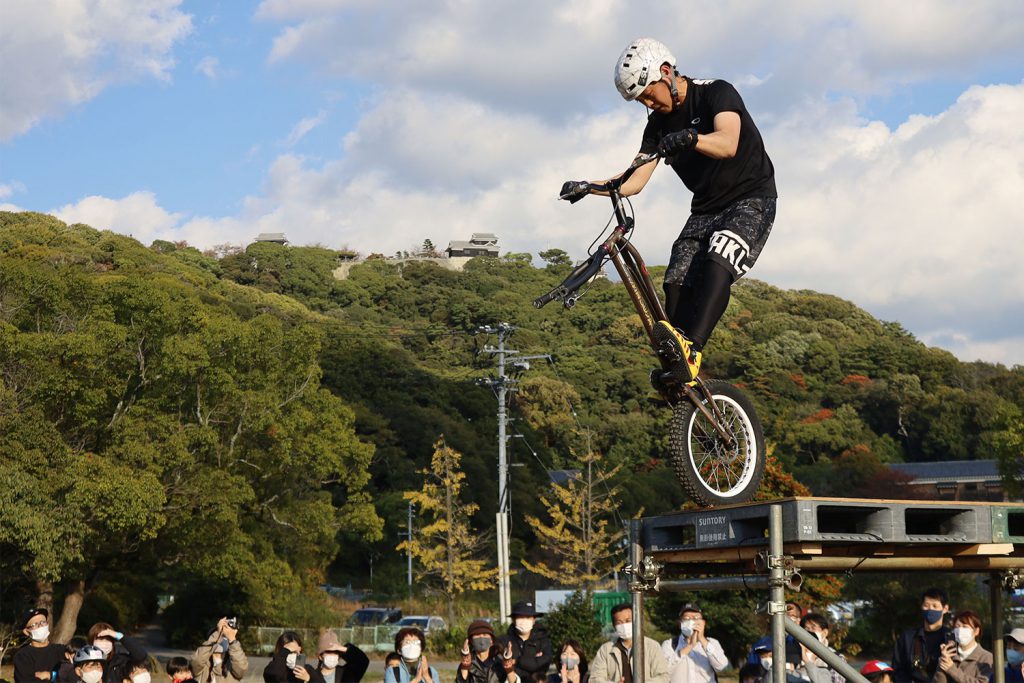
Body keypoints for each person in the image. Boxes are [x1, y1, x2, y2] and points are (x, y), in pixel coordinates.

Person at [561, 37, 776, 385]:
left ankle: (693, 349)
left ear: (666, 72)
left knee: (718, 257)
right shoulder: (657, 126)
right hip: (705, 209)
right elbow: (634, 180)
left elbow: (727, 142)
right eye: (639, 101)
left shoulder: (716, 93)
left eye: (648, 94)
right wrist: (590, 187)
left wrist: (692, 139)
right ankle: (680, 367)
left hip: (751, 198)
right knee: (675, 277)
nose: (647, 103)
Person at [591, 604, 669, 683]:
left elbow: (663, 677)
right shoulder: (606, 650)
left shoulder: (652, 646)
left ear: (636, 621)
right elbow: (594, 679)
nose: (624, 625)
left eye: (628, 621)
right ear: (614, 626)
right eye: (619, 623)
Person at [892, 588, 953, 683]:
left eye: (935, 606)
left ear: (945, 609)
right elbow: (897, 669)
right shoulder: (907, 637)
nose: (930, 609)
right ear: (921, 606)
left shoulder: (951, 638)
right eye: (926, 605)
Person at [659, 603, 726, 683]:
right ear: (680, 623)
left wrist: (702, 639)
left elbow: (721, 666)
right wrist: (689, 646)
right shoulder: (669, 644)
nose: (691, 621)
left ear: (703, 623)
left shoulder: (712, 643)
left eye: (696, 618)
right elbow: (664, 670)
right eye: (687, 618)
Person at [931, 610, 992, 683]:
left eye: (965, 627)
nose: (960, 630)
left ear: (976, 631)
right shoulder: (951, 655)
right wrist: (943, 662)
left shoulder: (986, 657)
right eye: (957, 627)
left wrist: (952, 669)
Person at [503, 602, 553, 683]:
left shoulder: (543, 640)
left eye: (528, 617)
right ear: (513, 619)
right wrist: (532, 662)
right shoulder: (505, 641)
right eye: (521, 617)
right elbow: (505, 666)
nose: (524, 620)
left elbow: (544, 662)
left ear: (534, 620)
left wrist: (516, 661)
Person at [14, 607, 66, 683]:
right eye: (35, 624)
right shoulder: (22, 656)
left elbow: (75, 674)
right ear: (26, 631)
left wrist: (50, 675)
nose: (41, 626)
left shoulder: (62, 650)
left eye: (43, 622)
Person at [191, 618, 248, 683]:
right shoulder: (204, 665)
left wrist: (232, 640)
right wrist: (217, 633)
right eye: (219, 636)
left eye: (224, 636)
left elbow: (241, 668)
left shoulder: (232, 664)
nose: (221, 639)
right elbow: (197, 661)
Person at [796, 613, 843, 683]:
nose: (809, 632)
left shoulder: (836, 657)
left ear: (824, 632)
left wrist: (807, 662)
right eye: (806, 628)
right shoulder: (796, 652)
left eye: (813, 628)